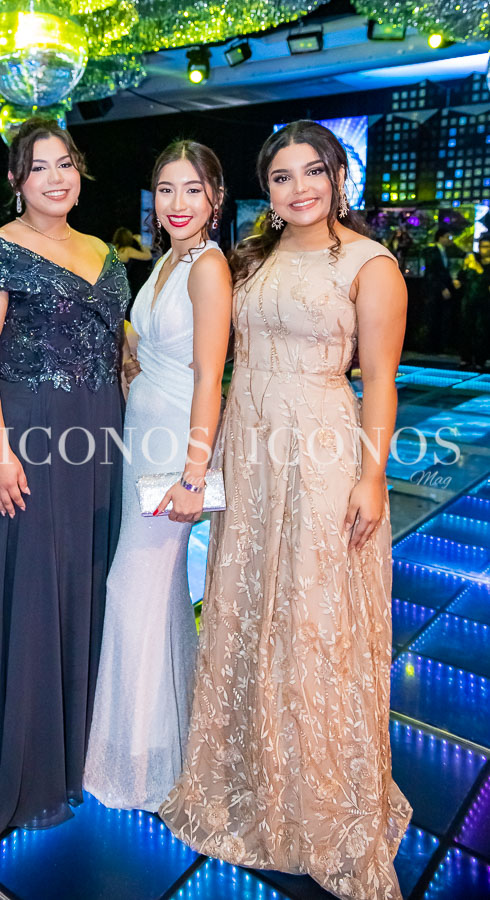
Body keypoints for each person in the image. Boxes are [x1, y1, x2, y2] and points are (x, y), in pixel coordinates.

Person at [160, 120, 412, 900]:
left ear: (339, 177)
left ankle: (320, 807)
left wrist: (372, 477)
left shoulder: (371, 265)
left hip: (322, 454)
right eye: (281, 176)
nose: (299, 188)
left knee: (313, 618)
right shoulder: (253, 258)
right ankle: (248, 781)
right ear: (265, 191)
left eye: (313, 172)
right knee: (247, 610)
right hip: (250, 450)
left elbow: (381, 381)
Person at [0, 117, 129, 835]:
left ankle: (79, 749)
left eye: (66, 164)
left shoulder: (103, 251)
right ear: (16, 179)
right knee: (31, 589)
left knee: (84, 581)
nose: (56, 178)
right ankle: (23, 764)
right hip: (25, 434)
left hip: (100, 434)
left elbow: (117, 345)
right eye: (39, 167)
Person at [84, 142, 231, 811]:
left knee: (130, 588)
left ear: (215, 198)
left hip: (176, 446)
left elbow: (210, 378)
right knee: (157, 591)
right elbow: (150, 348)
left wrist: (196, 475)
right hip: (143, 436)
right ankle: (163, 746)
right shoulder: (170, 259)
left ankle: (134, 759)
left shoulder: (209, 266)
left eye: (192, 189)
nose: (177, 203)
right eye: (166, 189)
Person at [422, 228, 458, 353]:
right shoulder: (433, 252)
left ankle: (437, 346)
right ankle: (430, 346)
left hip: (439, 289)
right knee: (433, 317)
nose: (450, 240)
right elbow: (432, 272)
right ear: (440, 237)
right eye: (448, 237)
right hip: (434, 290)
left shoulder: (444, 252)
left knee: (439, 317)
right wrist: (442, 287)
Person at [458, 235, 490, 369]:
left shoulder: (481, 265)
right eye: (482, 247)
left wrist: (477, 268)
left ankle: (481, 360)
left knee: (482, 330)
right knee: (466, 329)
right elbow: (462, 276)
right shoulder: (473, 260)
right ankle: (466, 358)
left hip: (485, 303)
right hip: (469, 301)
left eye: (487, 247)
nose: (484, 250)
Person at [113, 226, 153, 311]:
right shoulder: (127, 250)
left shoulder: (113, 248)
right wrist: (140, 242)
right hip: (121, 284)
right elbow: (148, 256)